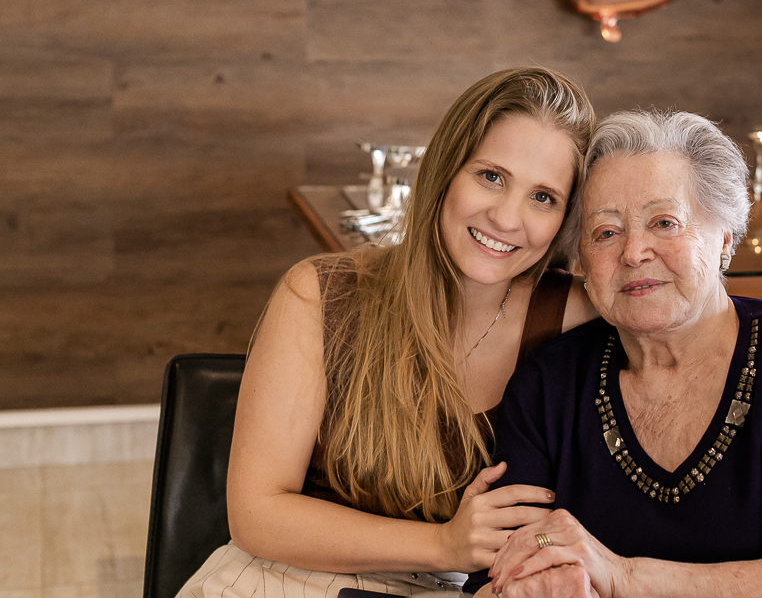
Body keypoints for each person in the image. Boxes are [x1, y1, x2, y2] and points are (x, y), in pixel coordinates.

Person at [177, 68, 599, 597]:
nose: (506, 217)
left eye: (544, 198)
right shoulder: (318, 296)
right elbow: (257, 515)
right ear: (445, 169)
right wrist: (444, 544)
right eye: (491, 176)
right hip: (288, 578)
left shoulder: (578, 316)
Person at [466, 110, 762, 598]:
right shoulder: (550, 381)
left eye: (664, 222)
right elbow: (497, 573)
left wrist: (619, 576)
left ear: (724, 237)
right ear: (581, 263)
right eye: (605, 232)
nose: (634, 252)